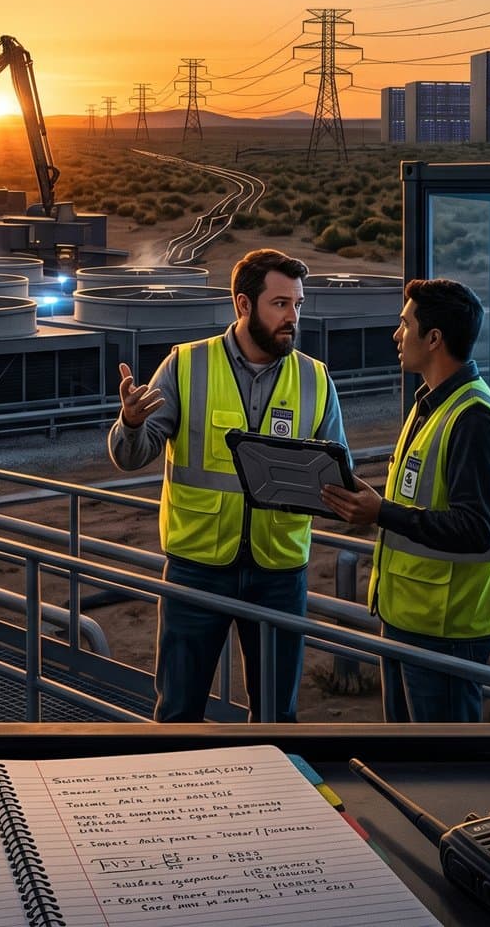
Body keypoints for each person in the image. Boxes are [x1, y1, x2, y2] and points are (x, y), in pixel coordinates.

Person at [110, 248, 348, 723]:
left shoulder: (315, 378)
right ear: (243, 305)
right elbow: (130, 456)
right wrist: (131, 424)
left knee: (278, 716)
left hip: (279, 570)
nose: (292, 318)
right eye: (280, 304)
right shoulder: (186, 365)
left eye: (297, 305)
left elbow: (337, 473)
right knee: (179, 711)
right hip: (197, 568)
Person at [321, 278, 490, 724]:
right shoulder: (429, 404)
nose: (396, 334)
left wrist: (380, 512)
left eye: (404, 324)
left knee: (440, 773)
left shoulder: (474, 419)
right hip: (410, 618)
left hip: (447, 628)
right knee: (407, 762)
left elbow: (475, 529)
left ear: (433, 338)